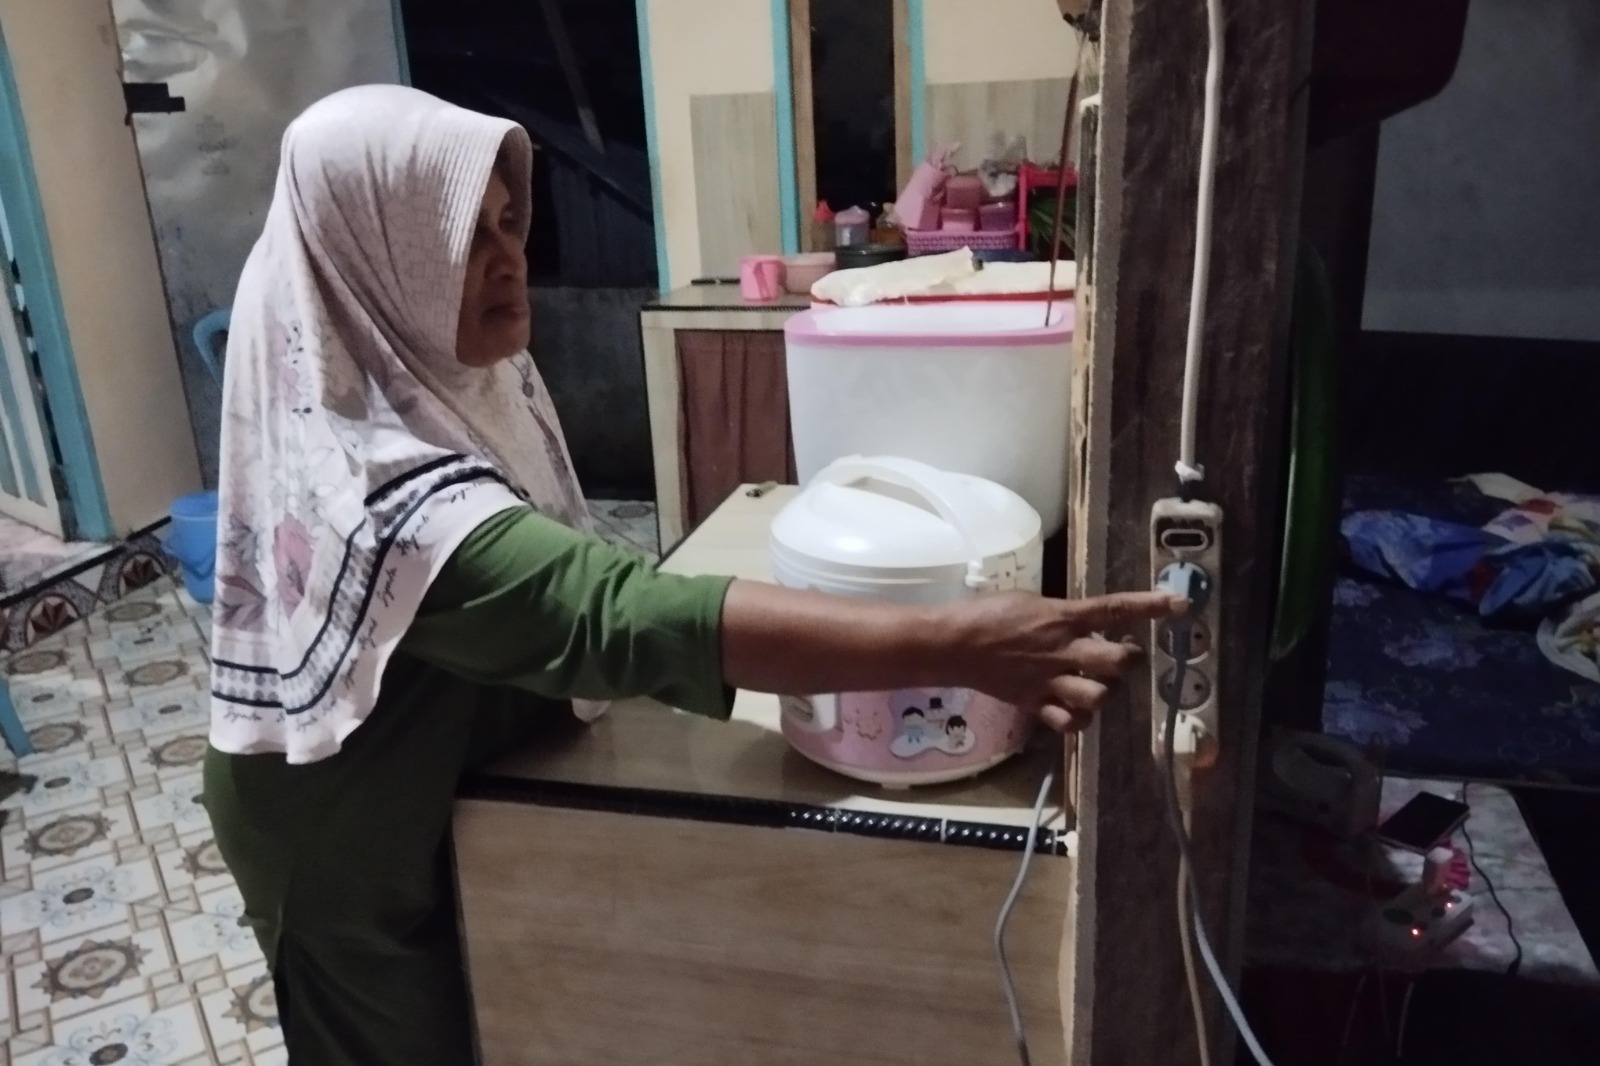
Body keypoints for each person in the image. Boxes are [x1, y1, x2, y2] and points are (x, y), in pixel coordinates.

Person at [202, 85, 1182, 1064]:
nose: (508, 257)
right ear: (374, 258)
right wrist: (962, 644)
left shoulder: (458, 387)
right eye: (463, 235)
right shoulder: (373, 487)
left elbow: (569, 573)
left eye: (508, 223)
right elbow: (606, 615)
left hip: (443, 773)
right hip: (345, 852)